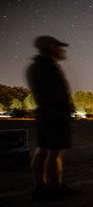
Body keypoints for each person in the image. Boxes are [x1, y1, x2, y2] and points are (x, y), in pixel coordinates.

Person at [27, 35, 78, 200]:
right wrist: (67, 109)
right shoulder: (49, 67)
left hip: (44, 114)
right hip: (55, 115)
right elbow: (58, 93)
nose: (61, 49)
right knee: (54, 152)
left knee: (42, 149)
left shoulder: (35, 66)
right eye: (58, 46)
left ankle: (39, 186)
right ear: (50, 47)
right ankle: (55, 187)